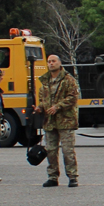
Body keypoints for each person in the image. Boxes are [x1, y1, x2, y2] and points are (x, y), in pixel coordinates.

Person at [35, 54, 80, 188]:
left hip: (65, 120)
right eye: (49, 62)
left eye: (53, 61)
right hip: (50, 121)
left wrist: (58, 107)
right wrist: (39, 108)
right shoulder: (45, 81)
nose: (51, 64)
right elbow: (43, 100)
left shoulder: (68, 80)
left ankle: (72, 177)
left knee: (68, 151)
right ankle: (52, 177)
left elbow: (73, 97)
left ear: (59, 63)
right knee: (51, 151)